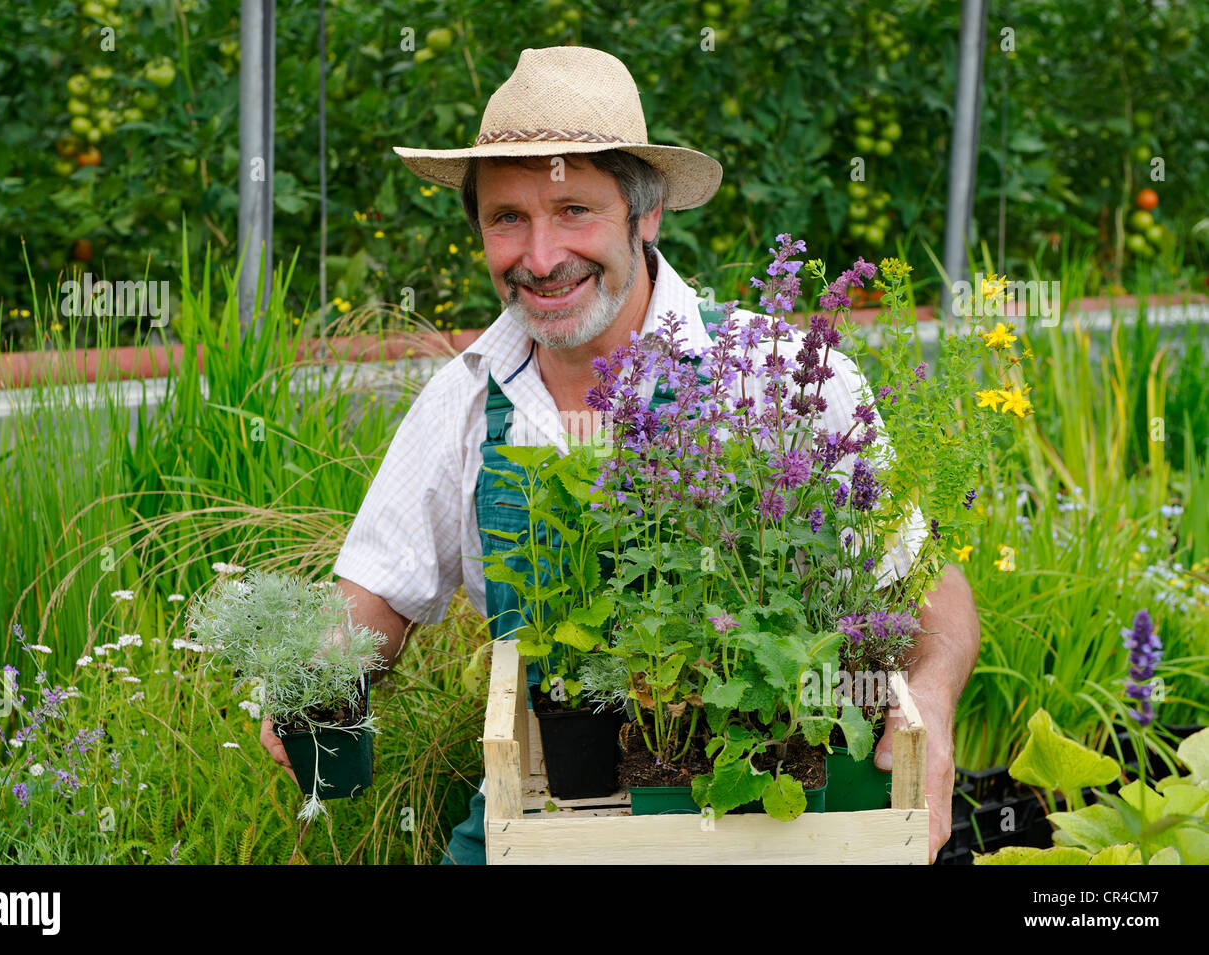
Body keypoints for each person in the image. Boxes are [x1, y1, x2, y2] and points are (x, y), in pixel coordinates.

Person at [261, 45, 980, 864]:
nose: (539, 258)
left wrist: (931, 695)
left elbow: (931, 593)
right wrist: (310, 681)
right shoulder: (464, 400)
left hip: (764, 819)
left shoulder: (781, 380)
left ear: (646, 217)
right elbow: (374, 597)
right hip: (545, 816)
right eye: (508, 218)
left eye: (573, 209)